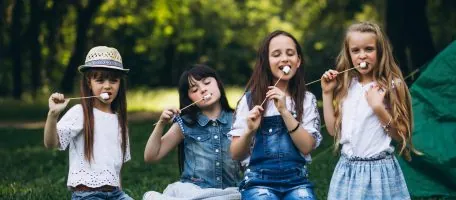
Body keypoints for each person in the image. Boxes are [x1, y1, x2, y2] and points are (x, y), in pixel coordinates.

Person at [321, 21, 416, 199]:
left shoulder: (392, 86)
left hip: (378, 171)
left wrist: (378, 107)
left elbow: (402, 134)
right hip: (347, 169)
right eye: (355, 50)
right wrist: (327, 93)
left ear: (380, 51)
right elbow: (334, 130)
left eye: (369, 49)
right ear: (348, 54)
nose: (362, 56)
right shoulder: (346, 86)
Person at [229, 30, 322, 199]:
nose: (285, 58)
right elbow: (236, 154)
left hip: (297, 181)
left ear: (298, 61)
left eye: (290, 53)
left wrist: (285, 112)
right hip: (258, 181)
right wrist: (249, 130)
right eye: (276, 54)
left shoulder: (307, 100)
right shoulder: (250, 101)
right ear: (266, 62)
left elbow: (307, 146)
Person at [43, 46, 133, 199]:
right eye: (99, 80)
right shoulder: (80, 112)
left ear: (120, 83)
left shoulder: (119, 120)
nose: (107, 86)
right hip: (86, 194)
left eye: (114, 80)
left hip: (115, 194)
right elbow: (51, 143)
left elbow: (116, 168)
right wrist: (53, 115)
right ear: (89, 82)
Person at [143, 64, 241, 200]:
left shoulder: (238, 119)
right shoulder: (186, 123)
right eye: (194, 90)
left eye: (207, 82)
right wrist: (161, 123)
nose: (203, 89)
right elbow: (151, 156)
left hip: (230, 192)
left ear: (218, 83)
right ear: (189, 99)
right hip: (193, 192)